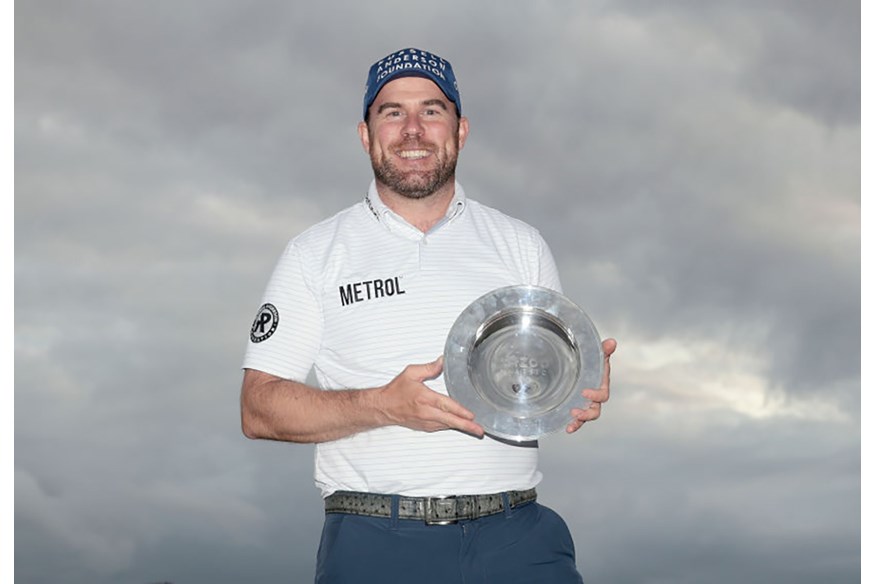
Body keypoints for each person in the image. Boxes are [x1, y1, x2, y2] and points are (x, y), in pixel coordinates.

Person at [240, 47, 617, 584]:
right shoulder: (315, 253)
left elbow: (544, 384)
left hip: (519, 537)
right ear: (365, 134)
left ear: (460, 131)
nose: (412, 129)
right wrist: (385, 406)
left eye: (432, 111)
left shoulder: (520, 245)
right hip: (377, 544)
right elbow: (258, 409)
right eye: (392, 112)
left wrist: (577, 389)